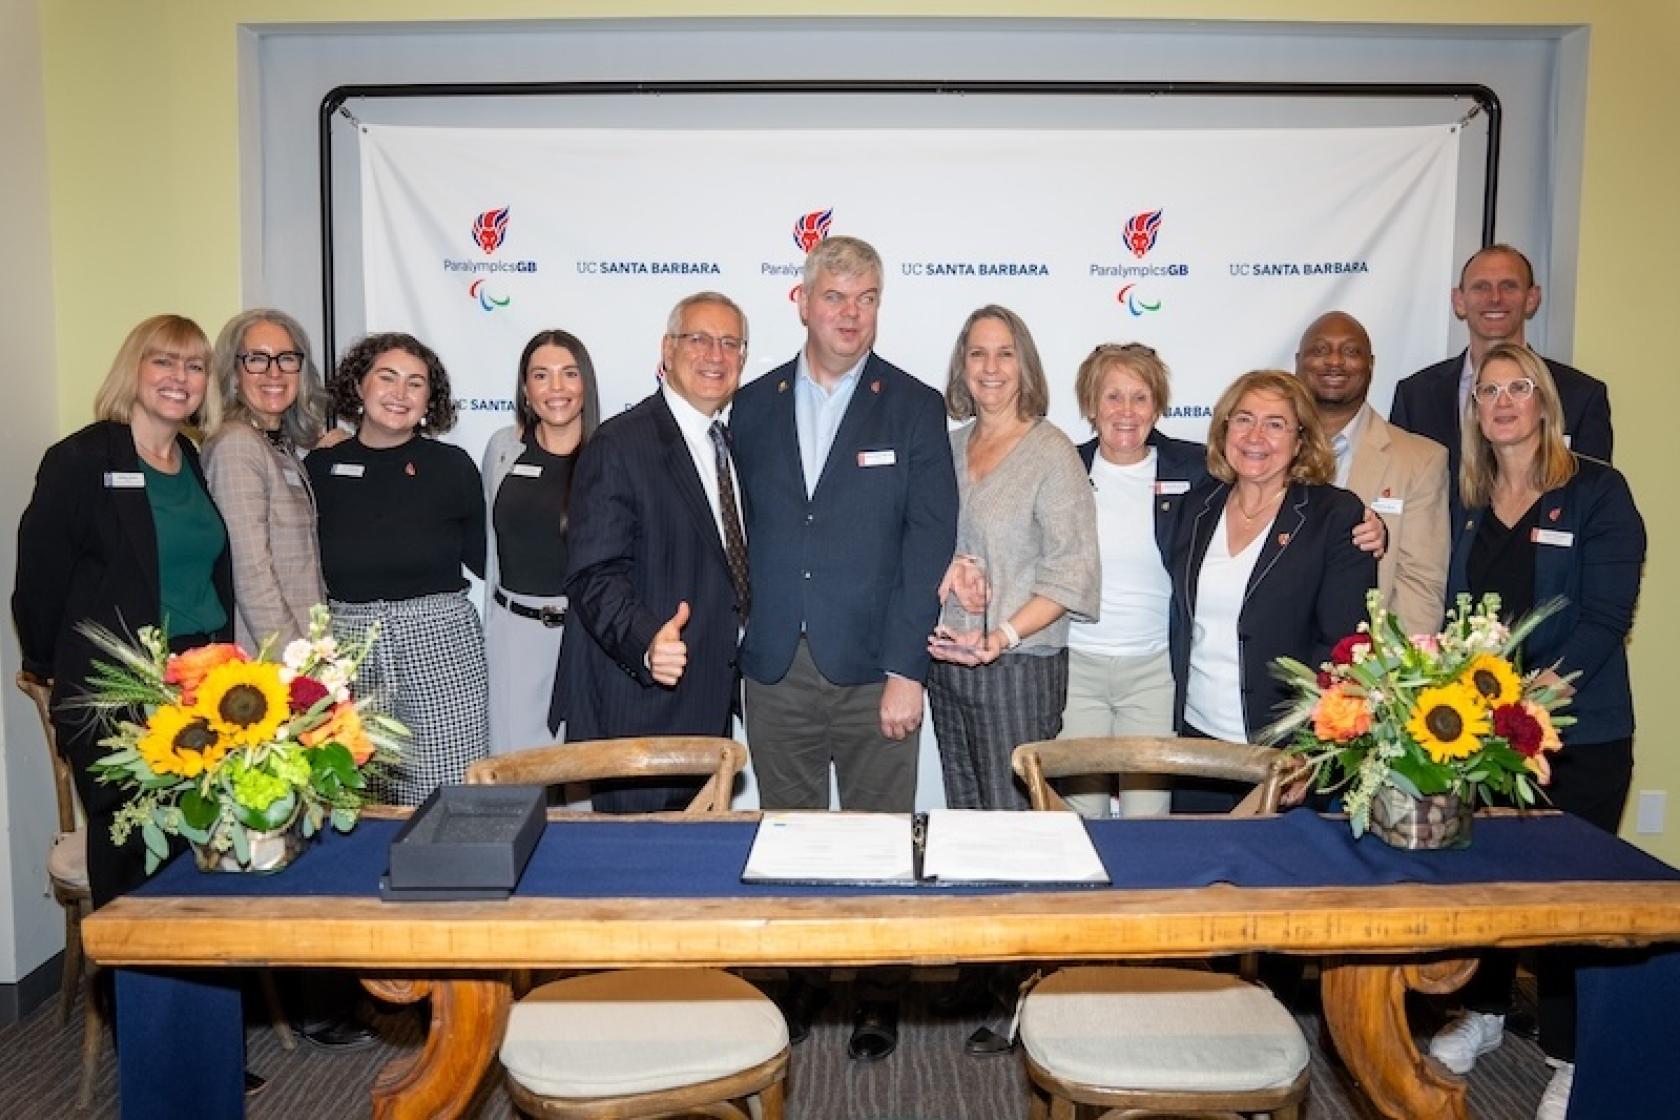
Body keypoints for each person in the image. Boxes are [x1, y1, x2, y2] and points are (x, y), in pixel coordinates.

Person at [730, 235, 957, 1060]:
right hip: (775, 667)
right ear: (802, 301)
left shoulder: (915, 404)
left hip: (875, 671)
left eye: (865, 298)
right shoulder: (752, 404)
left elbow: (928, 544)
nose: (850, 314)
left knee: (878, 837)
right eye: (835, 297)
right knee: (786, 836)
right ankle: (794, 985)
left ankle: (877, 997)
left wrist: (909, 670)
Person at [1426, 343, 1646, 1120]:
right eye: (1489, 391)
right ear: (1476, 410)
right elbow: (1459, 612)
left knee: (1564, 903)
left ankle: (1568, 1054)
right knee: (1486, 885)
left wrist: (1541, 696)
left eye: (1519, 387)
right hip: (1486, 735)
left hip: (1575, 734)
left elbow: (1605, 617)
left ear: (1544, 401)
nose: (1505, 401)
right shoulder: (1471, 496)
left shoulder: (1596, 491)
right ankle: (1483, 1015)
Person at [14, 314, 230, 908]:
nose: (179, 377)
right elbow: (37, 582)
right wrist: (51, 668)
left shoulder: (189, 457)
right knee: (134, 862)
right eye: (163, 361)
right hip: (116, 692)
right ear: (132, 369)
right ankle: (135, 995)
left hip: (200, 687)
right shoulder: (82, 459)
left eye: (194, 365)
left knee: (197, 854)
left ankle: (193, 998)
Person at [548, 292, 749, 813]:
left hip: (705, 704)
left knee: (693, 879)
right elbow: (593, 574)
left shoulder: (727, 444)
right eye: (699, 339)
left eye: (730, 343)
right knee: (636, 879)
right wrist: (645, 641)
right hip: (639, 708)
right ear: (667, 350)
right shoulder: (620, 444)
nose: (715, 354)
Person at [1169, 370, 1374, 810]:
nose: (1255, 435)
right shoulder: (1196, 508)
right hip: (1197, 747)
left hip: (1284, 754)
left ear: (1301, 440)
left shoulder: (1334, 516)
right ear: (1224, 429)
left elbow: (1345, 647)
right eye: (1243, 419)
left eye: (1275, 423)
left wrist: (1307, 748)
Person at [928, 305, 1098, 812]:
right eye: (977, 353)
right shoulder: (947, 448)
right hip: (948, 663)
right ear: (962, 366)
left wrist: (1002, 637)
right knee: (966, 815)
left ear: (1024, 365)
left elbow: (1073, 571)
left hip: (1019, 669)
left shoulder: (1051, 452)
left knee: (1016, 822)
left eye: (1005, 353)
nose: (991, 367)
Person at [307, 332, 487, 805]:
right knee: (357, 794)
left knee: (450, 787)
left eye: (415, 383)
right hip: (349, 648)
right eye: (386, 378)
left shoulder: (453, 467)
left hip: (441, 643)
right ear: (359, 387)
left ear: (430, 400)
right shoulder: (322, 468)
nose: (399, 393)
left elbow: (484, 556)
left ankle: (453, 880)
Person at [1060, 343, 1206, 817]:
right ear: (1090, 405)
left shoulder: (1199, 469)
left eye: (1139, 397)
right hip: (1077, 668)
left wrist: (1365, 523)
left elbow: (1271, 492)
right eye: (1112, 397)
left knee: (1150, 819)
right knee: (1081, 820)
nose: (1126, 411)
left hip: (1153, 673)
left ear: (1158, 405)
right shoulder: (1062, 466)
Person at [1389, 245, 1612, 515]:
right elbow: (1398, 492)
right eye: (1481, 287)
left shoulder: (1581, 396)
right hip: (1441, 556)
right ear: (1459, 301)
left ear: (1532, 298)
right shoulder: (1415, 396)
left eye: (1509, 286)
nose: (1495, 298)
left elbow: (1593, 502)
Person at [1295, 310, 1449, 636]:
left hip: (1369, 668)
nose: (1334, 361)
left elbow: (1419, 583)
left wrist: (1390, 676)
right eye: (1319, 350)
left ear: (1371, 365)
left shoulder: (1421, 460)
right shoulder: (1264, 453)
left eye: (1351, 351)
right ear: (1298, 362)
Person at [482, 330, 599, 755]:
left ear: (586, 382)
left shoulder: (610, 455)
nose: (556, 388)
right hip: (513, 636)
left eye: (569, 374)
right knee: (514, 775)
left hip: (585, 640)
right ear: (526, 389)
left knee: (583, 779)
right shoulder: (502, 449)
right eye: (541, 375)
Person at [202, 309, 329, 652]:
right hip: (270, 660)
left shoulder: (277, 446)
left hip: (303, 647)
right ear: (233, 373)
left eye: (286, 358)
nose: (274, 372)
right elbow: (251, 573)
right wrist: (295, 662)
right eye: (257, 359)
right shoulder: (237, 446)